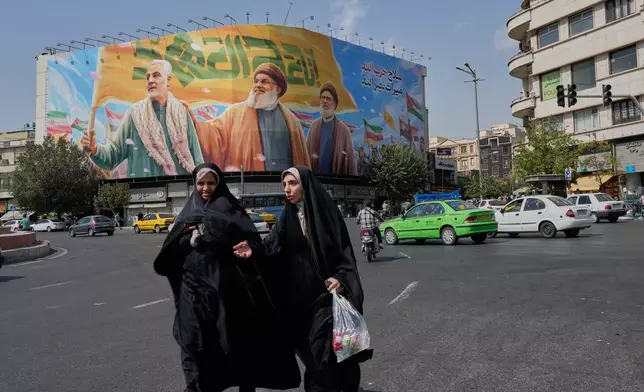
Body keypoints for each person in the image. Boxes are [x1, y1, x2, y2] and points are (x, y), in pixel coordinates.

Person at [153, 163, 300, 392]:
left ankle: (245, 384)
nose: (205, 188)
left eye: (211, 183)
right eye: (201, 183)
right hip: (192, 293)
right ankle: (196, 387)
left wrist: (246, 248)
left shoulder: (231, 209)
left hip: (227, 293)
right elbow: (170, 250)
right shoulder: (187, 211)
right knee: (192, 341)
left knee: (233, 344)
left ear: (218, 184)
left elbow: (254, 242)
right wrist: (185, 237)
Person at [233, 166, 373, 392]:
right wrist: (253, 252)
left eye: (292, 183)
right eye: (284, 185)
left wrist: (340, 277)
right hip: (298, 302)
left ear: (305, 185)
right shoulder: (287, 218)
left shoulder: (326, 214)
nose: (287, 189)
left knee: (326, 351)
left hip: (326, 298)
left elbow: (344, 253)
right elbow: (270, 248)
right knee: (313, 355)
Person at [81, 60, 204, 178]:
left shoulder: (182, 113)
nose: (150, 80)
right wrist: (95, 149)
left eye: (156, 75)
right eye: (147, 77)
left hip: (182, 193)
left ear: (168, 80)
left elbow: (198, 161)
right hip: (143, 194)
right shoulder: (134, 115)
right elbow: (113, 156)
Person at [192, 63, 311, 172]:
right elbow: (213, 135)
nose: (258, 85)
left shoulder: (292, 121)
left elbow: (301, 162)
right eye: (256, 81)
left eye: (264, 82)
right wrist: (192, 122)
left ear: (278, 89)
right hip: (245, 185)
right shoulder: (234, 113)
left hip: (285, 187)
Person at [306, 82, 358, 176]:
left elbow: (350, 164)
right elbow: (305, 158)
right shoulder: (313, 127)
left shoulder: (343, 130)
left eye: (328, 99)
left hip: (336, 182)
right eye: (322, 98)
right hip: (315, 181)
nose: (324, 101)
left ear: (334, 104)